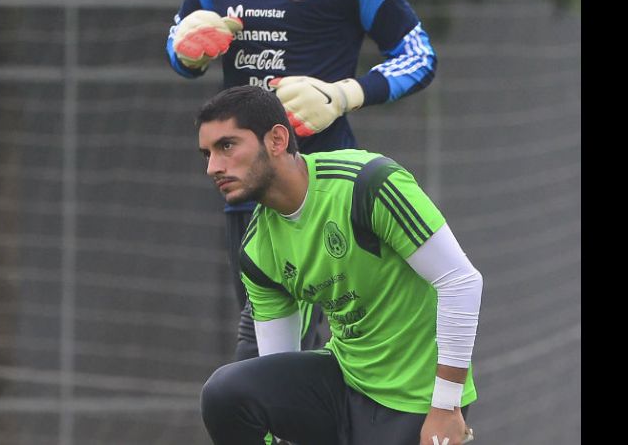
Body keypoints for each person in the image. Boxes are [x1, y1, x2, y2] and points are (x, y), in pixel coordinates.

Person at [166, 0, 438, 362]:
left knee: (264, 354)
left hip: (322, 192)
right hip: (247, 195)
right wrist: (187, 50)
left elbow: (419, 57)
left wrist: (343, 95)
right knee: (278, 353)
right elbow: (180, 41)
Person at [195, 86, 482, 445]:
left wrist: (446, 407)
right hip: (343, 387)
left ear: (277, 139)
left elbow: (461, 282)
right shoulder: (256, 247)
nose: (213, 167)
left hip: (418, 400)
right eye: (206, 153)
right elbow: (279, 369)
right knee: (226, 392)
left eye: (227, 146)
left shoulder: (368, 184)